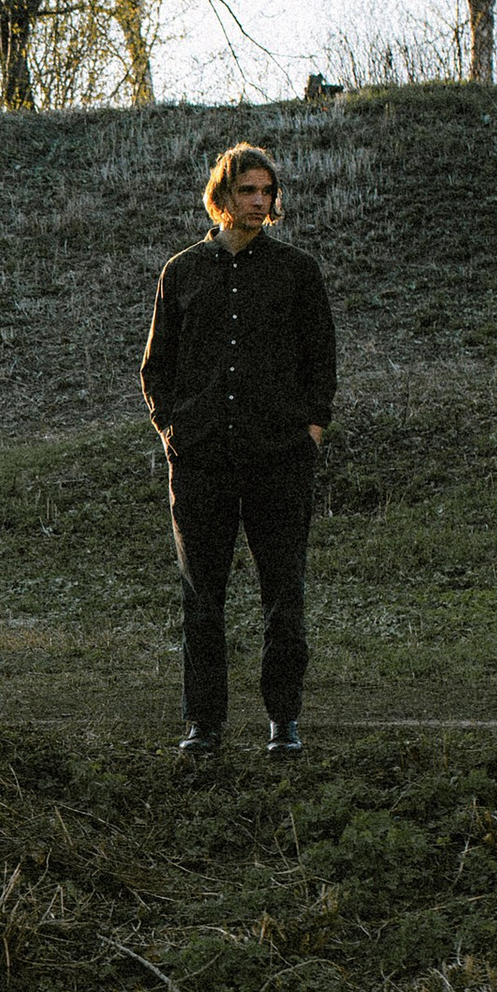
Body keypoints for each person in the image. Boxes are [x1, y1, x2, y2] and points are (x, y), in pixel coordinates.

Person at [139, 140, 336, 761]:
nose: (258, 201)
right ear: (221, 197)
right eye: (246, 191)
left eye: (266, 192)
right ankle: (204, 725)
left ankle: (283, 722)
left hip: (279, 457)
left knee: (284, 593)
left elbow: (321, 362)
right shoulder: (182, 272)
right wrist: (170, 430)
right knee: (202, 598)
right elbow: (156, 367)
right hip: (200, 462)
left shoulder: (298, 271)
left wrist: (312, 431)